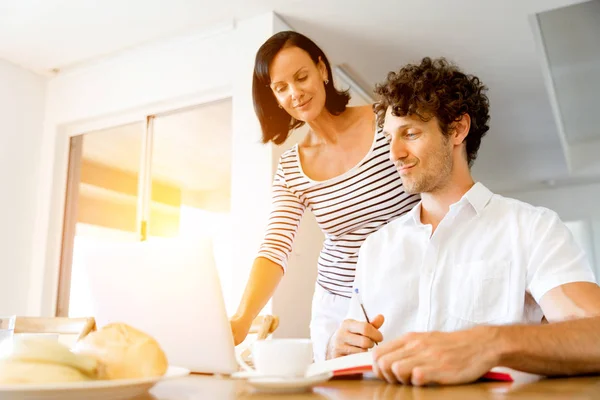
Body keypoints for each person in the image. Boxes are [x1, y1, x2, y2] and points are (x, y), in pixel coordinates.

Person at [328, 57, 600, 385]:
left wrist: (490, 343)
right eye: (389, 138)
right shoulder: (376, 246)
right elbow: (353, 353)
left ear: (457, 129)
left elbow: (594, 334)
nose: (394, 153)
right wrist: (336, 348)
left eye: (410, 133)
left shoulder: (532, 229)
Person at [229, 31, 420, 361]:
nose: (296, 93)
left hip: (409, 286)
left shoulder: (385, 121)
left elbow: (432, 190)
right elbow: (275, 245)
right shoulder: (292, 167)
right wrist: (241, 319)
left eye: (301, 77)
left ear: (322, 70)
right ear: (274, 97)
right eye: (281, 87)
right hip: (340, 301)